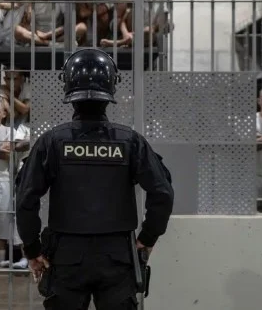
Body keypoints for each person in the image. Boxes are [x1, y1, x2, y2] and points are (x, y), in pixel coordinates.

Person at [16, 48, 174, 309]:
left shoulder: (52, 142)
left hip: (66, 256)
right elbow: (163, 193)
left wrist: (32, 250)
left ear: (67, 86)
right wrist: (147, 238)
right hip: (117, 256)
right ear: (112, 87)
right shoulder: (130, 142)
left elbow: (25, 198)